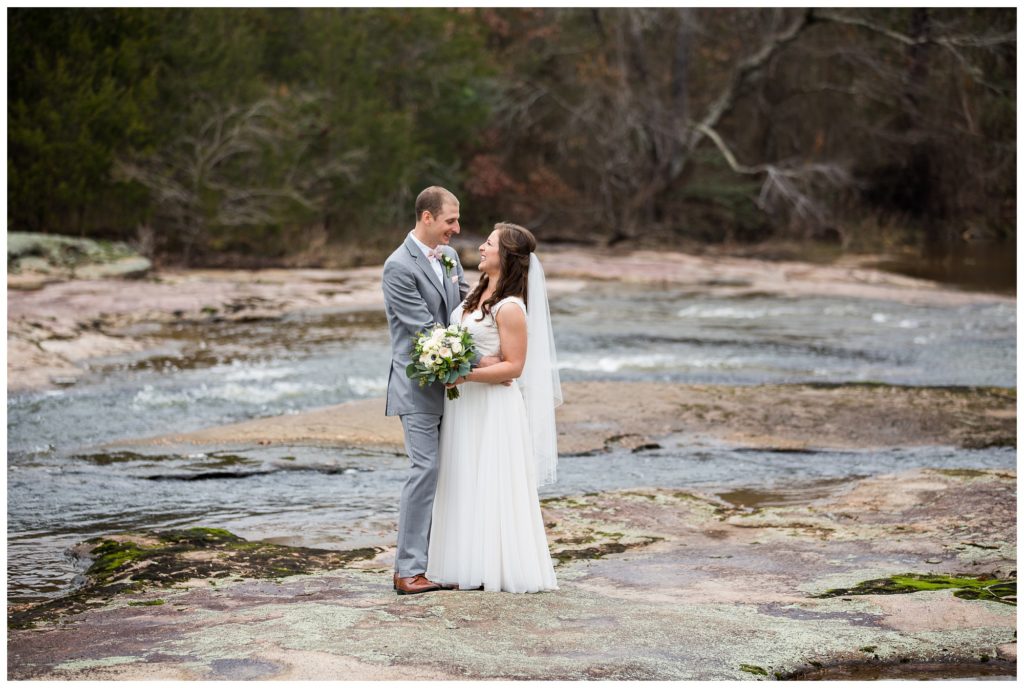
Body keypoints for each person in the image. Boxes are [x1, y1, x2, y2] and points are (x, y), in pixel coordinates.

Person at [426, 222, 562, 593]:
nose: (481, 248)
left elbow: (514, 367)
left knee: (492, 481)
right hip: (465, 406)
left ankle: (499, 566)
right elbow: (478, 350)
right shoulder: (477, 292)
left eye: (489, 243)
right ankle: (463, 563)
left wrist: (467, 372)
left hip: (493, 408)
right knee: (465, 477)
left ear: (506, 256)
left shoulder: (511, 307)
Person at [381, 186, 501, 596]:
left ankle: (447, 561)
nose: (458, 227)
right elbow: (425, 333)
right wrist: (483, 364)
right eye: (451, 220)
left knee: (455, 472)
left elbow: (465, 310)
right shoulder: (398, 267)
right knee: (425, 470)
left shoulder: (449, 258)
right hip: (416, 387)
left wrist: (503, 311)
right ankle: (407, 570)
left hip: (454, 387)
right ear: (427, 218)